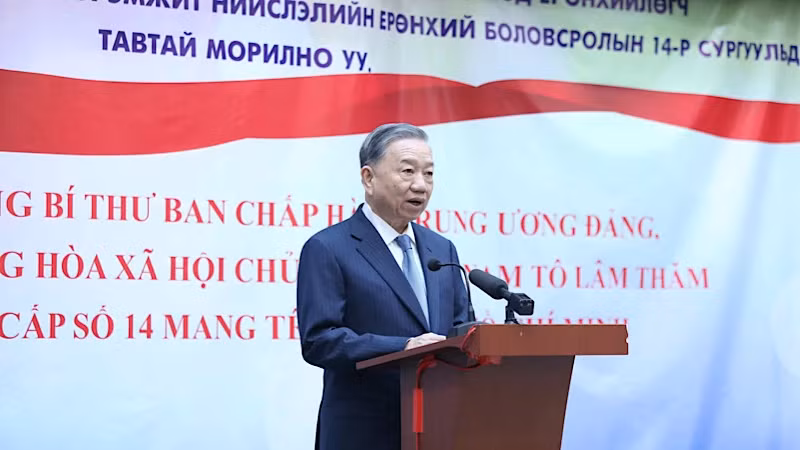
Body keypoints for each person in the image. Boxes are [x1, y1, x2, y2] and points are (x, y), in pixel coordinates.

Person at [296, 123, 470, 450]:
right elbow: (319, 341)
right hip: (364, 432)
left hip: (437, 430)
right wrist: (403, 347)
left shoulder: (441, 249)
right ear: (368, 177)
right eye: (407, 171)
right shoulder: (329, 248)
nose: (420, 185)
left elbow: (459, 328)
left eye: (429, 174)